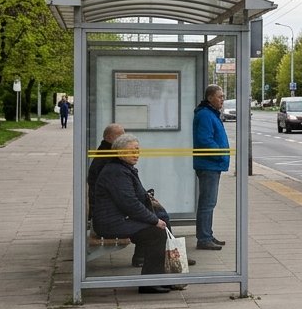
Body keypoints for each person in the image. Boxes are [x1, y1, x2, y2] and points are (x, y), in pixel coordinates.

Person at [89, 133, 184, 294]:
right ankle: (149, 283)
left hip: (118, 218)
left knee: (160, 223)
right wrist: (154, 220)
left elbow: (132, 198)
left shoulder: (122, 168)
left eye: (138, 150)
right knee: (156, 232)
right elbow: (129, 203)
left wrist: (149, 200)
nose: (136, 154)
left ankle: (160, 277)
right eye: (131, 151)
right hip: (111, 223)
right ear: (119, 152)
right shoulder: (116, 172)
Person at [192, 84, 230, 252]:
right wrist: (220, 155)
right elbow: (205, 140)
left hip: (211, 164)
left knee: (209, 202)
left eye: (223, 96)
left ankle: (207, 234)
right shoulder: (206, 115)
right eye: (220, 96)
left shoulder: (210, 114)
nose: (222, 100)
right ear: (210, 98)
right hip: (209, 164)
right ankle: (204, 238)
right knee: (207, 203)